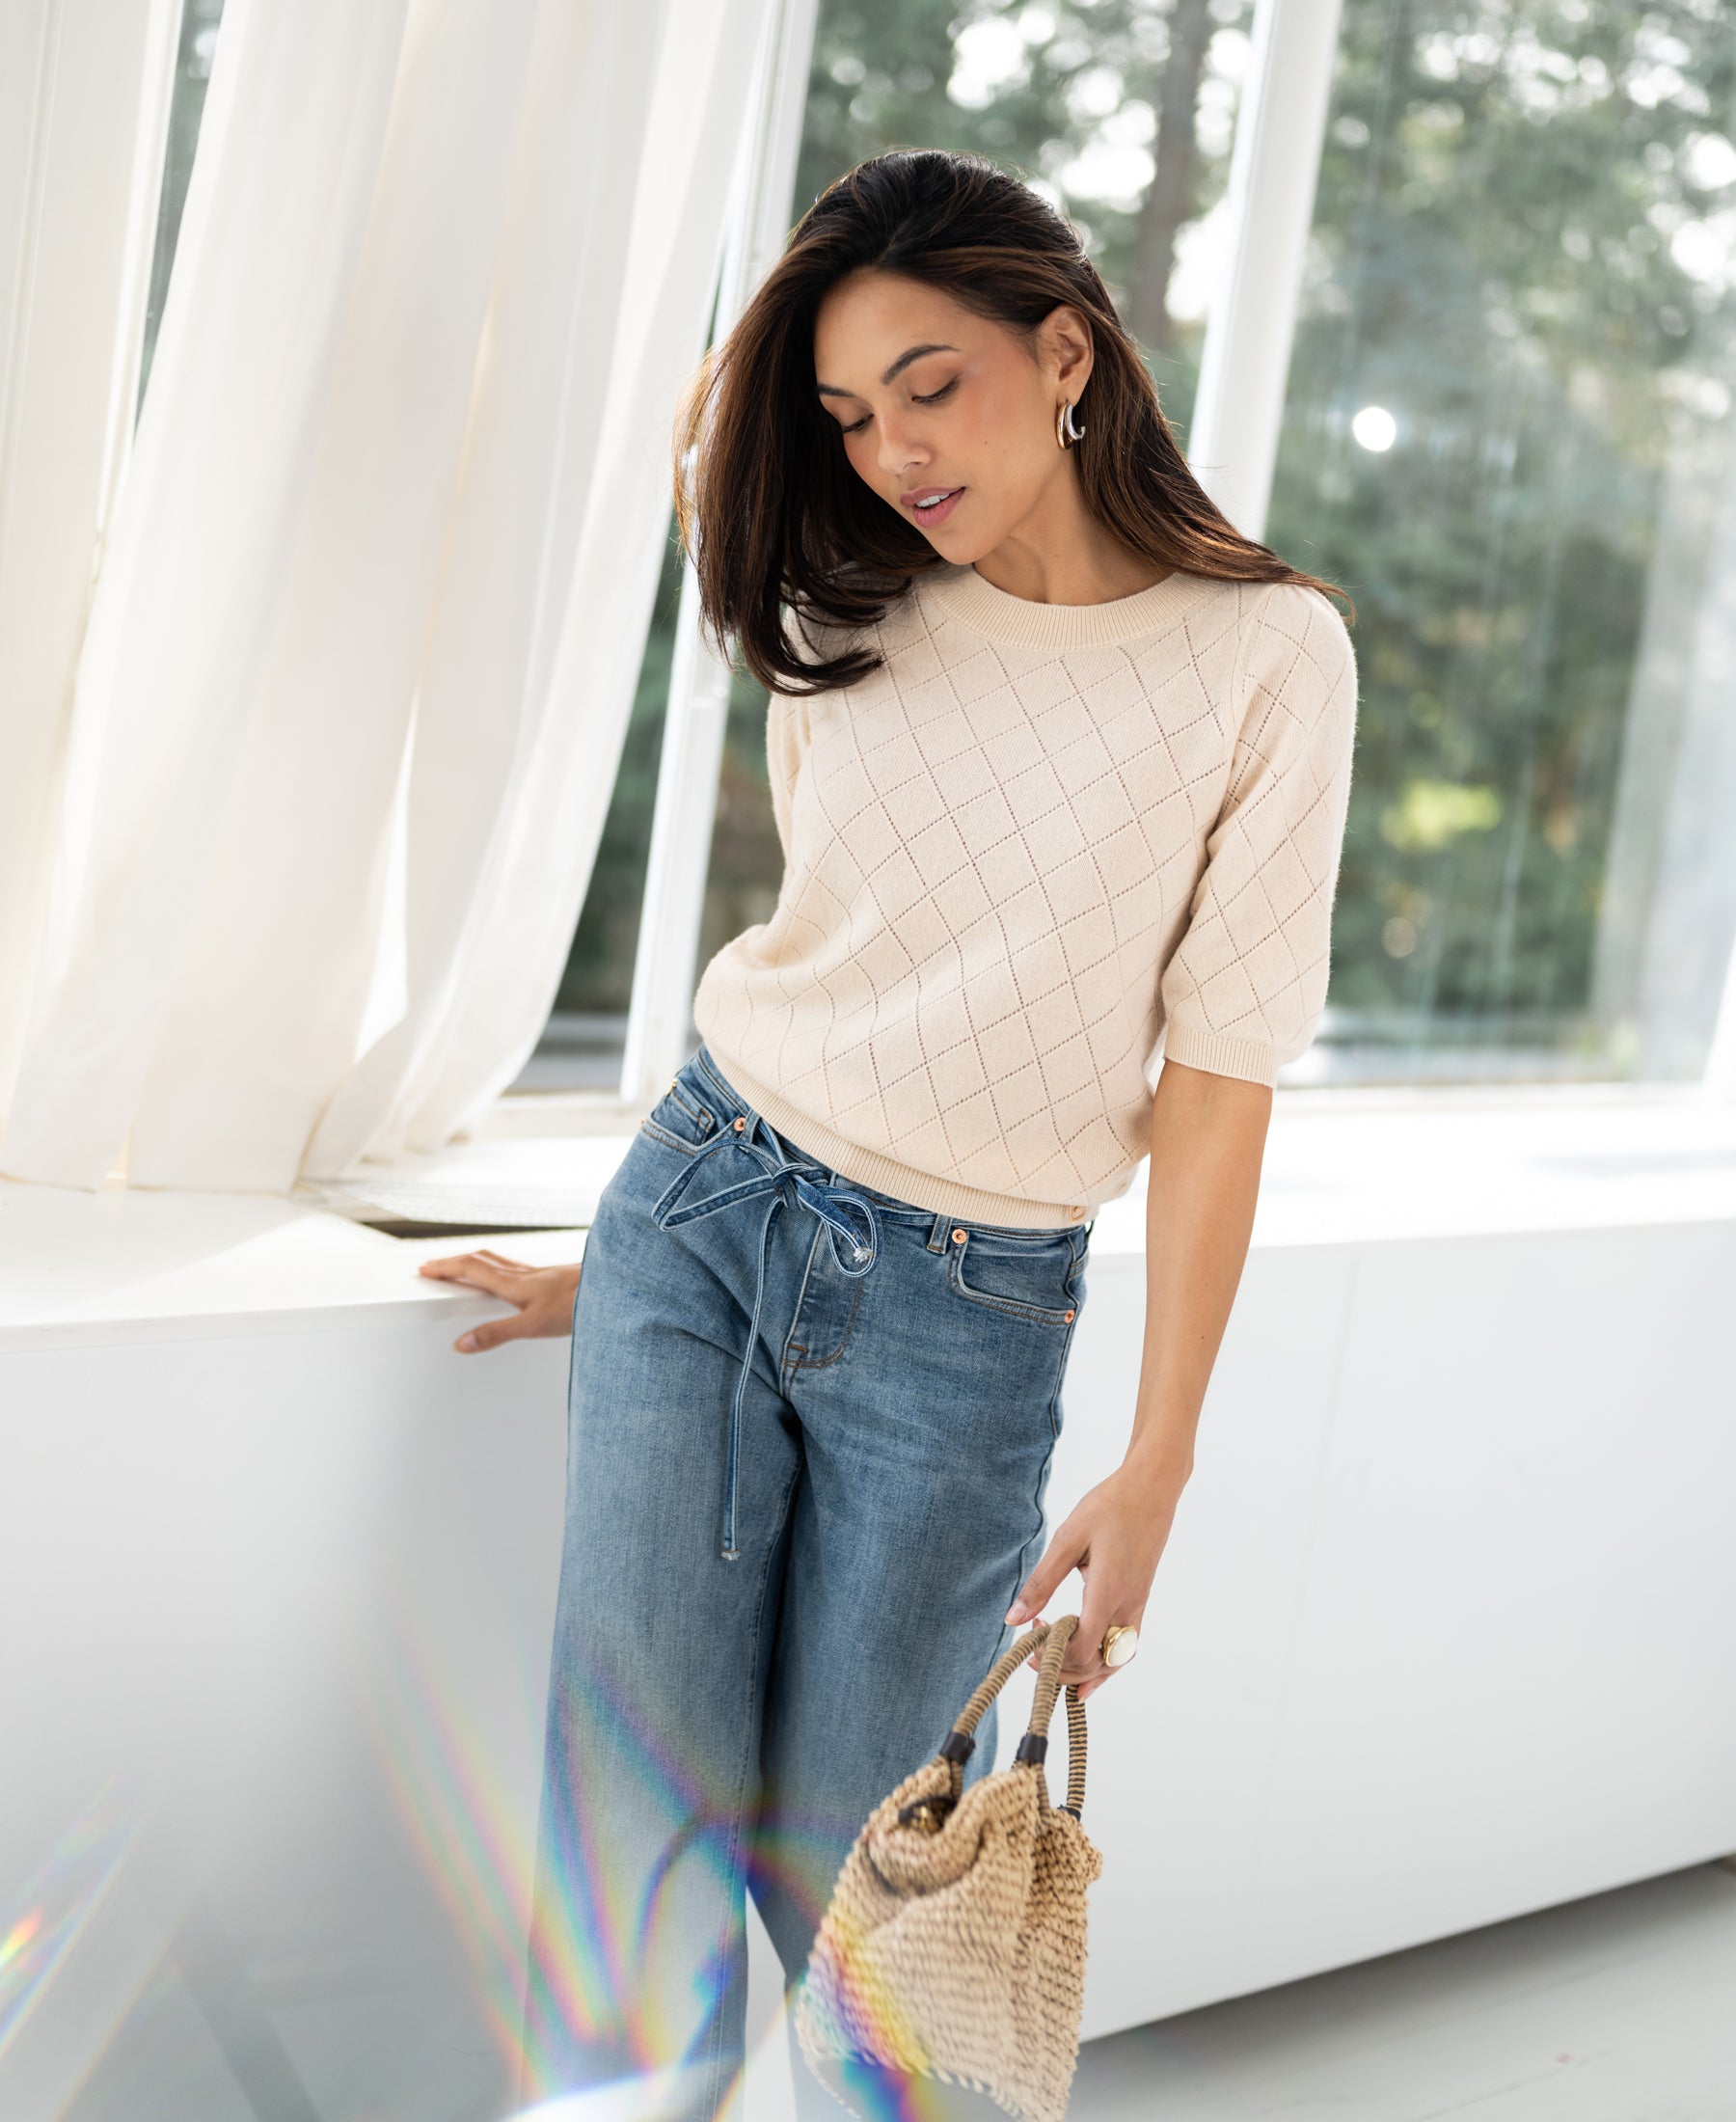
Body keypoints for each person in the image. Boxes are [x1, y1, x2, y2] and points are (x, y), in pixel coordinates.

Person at [420, 148, 1357, 2122]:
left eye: (932, 383)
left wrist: (1159, 1455)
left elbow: (1222, 1071)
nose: (892, 447)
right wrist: (643, 1259)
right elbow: (844, 976)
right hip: (704, 1204)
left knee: (864, 1879)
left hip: (971, 1304)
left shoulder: (1268, 656)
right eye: (848, 412)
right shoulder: (856, 592)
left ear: (1068, 347)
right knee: (636, 1814)